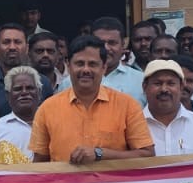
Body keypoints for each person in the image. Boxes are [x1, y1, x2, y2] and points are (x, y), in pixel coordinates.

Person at [29, 35, 154, 165]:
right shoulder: (47, 108)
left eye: (93, 64)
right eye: (79, 63)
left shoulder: (127, 105)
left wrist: (100, 153)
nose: (86, 70)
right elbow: (40, 164)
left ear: (104, 67)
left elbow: (147, 155)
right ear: (68, 65)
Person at [143, 59, 193, 154]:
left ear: (181, 87)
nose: (164, 89)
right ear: (144, 87)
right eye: (157, 83)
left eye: (171, 83)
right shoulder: (131, 126)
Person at [0, 23, 53, 117]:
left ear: (27, 48)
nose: (12, 47)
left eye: (17, 42)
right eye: (6, 42)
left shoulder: (43, 83)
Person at [0, 66, 43, 158]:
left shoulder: (53, 123)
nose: (24, 92)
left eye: (30, 88)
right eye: (18, 89)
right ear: (7, 95)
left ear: (39, 92)